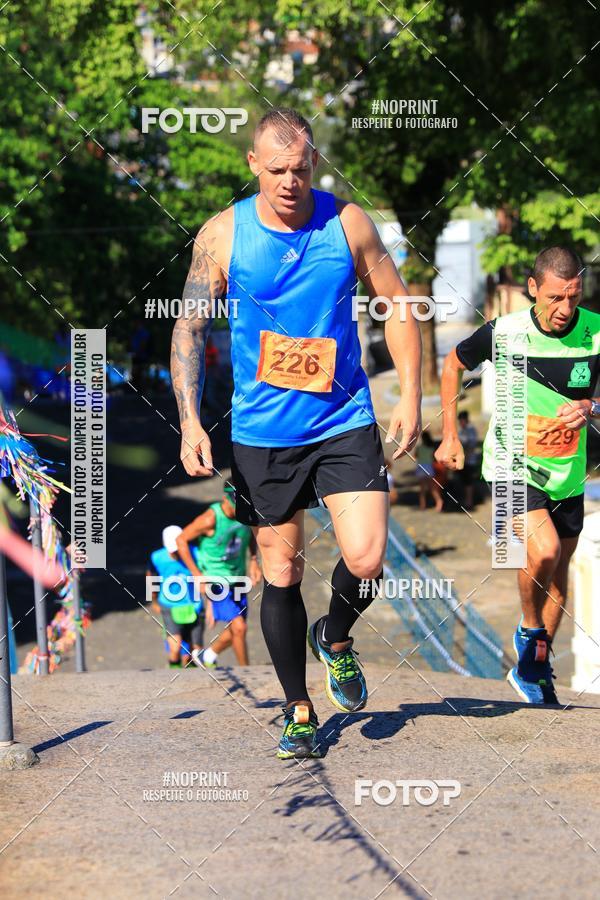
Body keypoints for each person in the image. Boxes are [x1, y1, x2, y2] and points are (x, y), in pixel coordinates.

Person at [171, 107, 422, 759]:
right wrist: (191, 420)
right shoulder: (223, 235)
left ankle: (334, 637)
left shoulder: (347, 223)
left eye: (302, 168)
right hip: (264, 434)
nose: (290, 180)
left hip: (344, 421)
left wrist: (413, 395)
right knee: (281, 569)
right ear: (253, 164)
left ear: (315, 163)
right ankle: (299, 708)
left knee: (366, 559)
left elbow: (398, 306)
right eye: (277, 168)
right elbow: (189, 329)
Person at [436, 246, 600, 704]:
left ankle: (535, 670)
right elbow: (453, 364)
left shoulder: (596, 331)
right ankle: (528, 630)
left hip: (568, 473)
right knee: (542, 551)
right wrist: (449, 435)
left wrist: (593, 407)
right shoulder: (504, 333)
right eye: (555, 298)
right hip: (510, 466)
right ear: (532, 289)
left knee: (560, 573)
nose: (565, 309)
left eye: (573, 297)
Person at [175, 484, 261, 667]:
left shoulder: (247, 512)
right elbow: (181, 539)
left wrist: (254, 559)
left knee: (236, 630)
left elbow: (252, 532)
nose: (239, 510)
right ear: (225, 499)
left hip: (238, 578)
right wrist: (197, 575)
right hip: (215, 580)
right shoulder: (210, 518)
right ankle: (247, 672)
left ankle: (208, 655)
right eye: (236, 504)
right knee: (239, 627)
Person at [147, 526, 204, 668]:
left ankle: (192, 679)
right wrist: (153, 600)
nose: (177, 553)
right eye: (173, 550)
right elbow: (151, 577)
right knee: (175, 647)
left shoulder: (195, 553)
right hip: (169, 605)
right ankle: (174, 675)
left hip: (194, 605)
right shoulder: (157, 557)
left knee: (194, 651)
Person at [457, 410, 479, 510]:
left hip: (469, 461)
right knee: (463, 482)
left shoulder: (471, 430)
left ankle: (469, 502)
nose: (460, 423)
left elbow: (471, 446)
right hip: (462, 460)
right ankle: (465, 500)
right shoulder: (461, 431)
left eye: (461, 421)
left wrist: (464, 456)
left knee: (468, 482)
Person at [415, 432, 443, 512]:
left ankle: (422, 505)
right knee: (432, 488)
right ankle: (439, 502)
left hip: (421, 468)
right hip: (429, 468)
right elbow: (434, 458)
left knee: (422, 489)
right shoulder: (431, 448)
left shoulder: (419, 448)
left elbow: (416, 456)